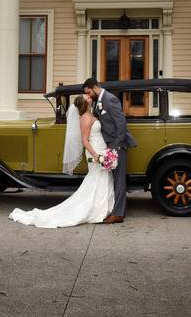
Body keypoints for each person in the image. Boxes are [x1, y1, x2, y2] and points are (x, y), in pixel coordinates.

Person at [8, 94, 114, 228]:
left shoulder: (89, 115)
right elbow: (84, 140)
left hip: (100, 148)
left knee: (102, 178)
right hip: (95, 150)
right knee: (97, 178)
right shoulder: (86, 118)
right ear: (85, 104)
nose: (89, 96)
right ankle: (97, 210)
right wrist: (96, 155)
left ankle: (102, 208)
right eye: (86, 96)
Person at [83, 76, 136, 224]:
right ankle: (114, 209)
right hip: (108, 145)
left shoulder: (110, 99)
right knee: (114, 179)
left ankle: (118, 214)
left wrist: (115, 147)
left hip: (117, 145)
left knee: (119, 180)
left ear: (94, 88)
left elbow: (121, 125)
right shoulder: (97, 102)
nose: (88, 95)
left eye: (88, 92)